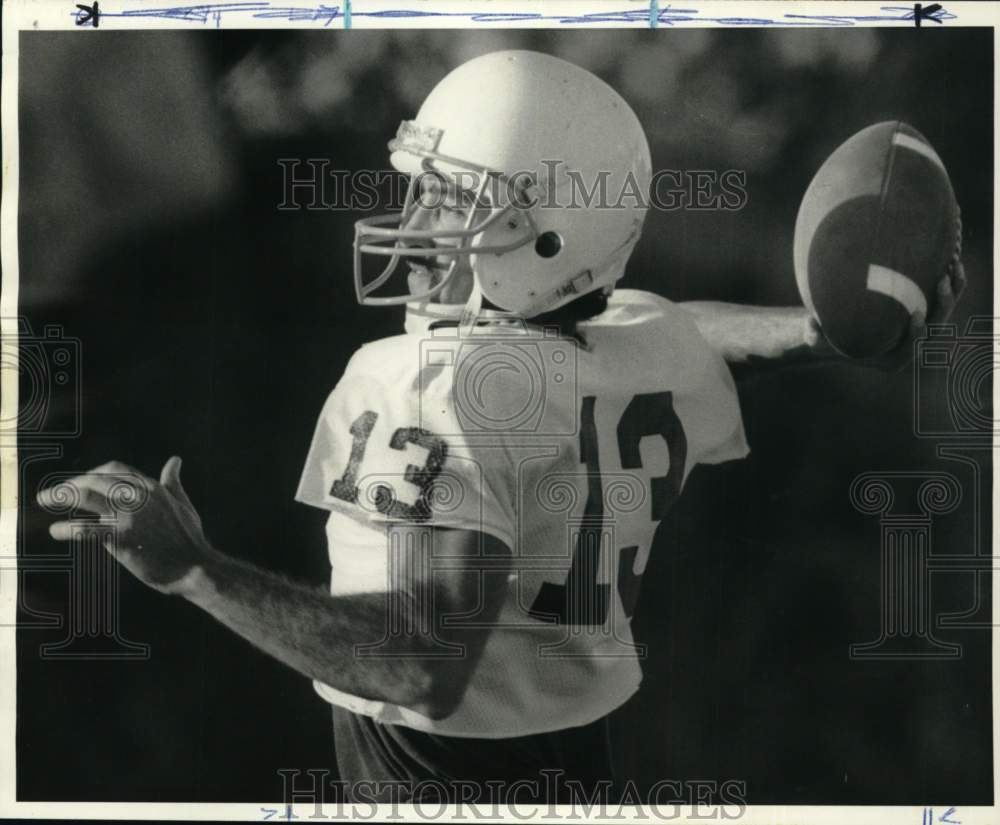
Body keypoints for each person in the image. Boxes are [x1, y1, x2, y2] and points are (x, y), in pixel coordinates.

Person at [38, 50, 964, 805]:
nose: (413, 221)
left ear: (549, 239)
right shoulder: (624, 343)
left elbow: (420, 666)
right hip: (580, 765)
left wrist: (199, 569)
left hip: (438, 784)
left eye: (452, 200)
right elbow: (677, 325)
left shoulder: (435, 388)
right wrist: (825, 330)